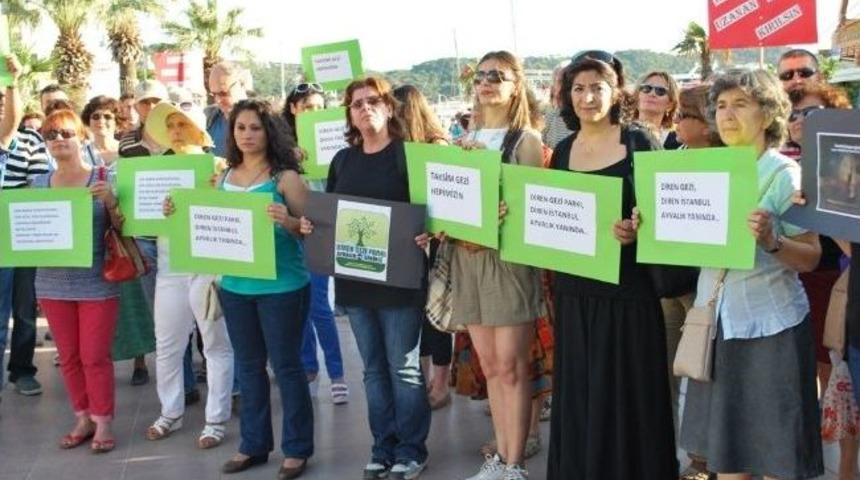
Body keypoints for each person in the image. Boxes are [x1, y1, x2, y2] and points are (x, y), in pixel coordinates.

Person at [679, 69, 824, 480]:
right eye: (721, 106)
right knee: (727, 457)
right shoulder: (702, 169)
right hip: (717, 326)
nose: (727, 114)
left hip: (769, 327)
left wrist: (772, 240)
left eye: (740, 104)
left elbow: (811, 257)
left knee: (776, 456)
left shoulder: (784, 174)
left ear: (768, 113)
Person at [545, 52, 677, 479]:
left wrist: (640, 229)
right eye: (578, 88)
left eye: (596, 87)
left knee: (630, 394)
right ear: (568, 95)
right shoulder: (562, 150)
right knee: (583, 392)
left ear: (616, 91)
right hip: (575, 293)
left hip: (628, 294)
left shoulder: (639, 142)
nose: (587, 97)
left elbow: (666, 216)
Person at [299, 77, 431, 480]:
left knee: (404, 369)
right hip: (357, 282)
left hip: (401, 280)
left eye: (373, 101)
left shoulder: (410, 156)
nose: (365, 108)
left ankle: (411, 450)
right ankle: (382, 447)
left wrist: (430, 231)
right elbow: (333, 215)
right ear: (349, 115)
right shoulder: (343, 160)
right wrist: (311, 225)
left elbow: (433, 211)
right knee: (373, 370)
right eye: (356, 104)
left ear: (389, 108)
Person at [185, 99, 312, 479]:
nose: (247, 135)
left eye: (255, 127)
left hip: (283, 286)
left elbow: (312, 227)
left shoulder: (285, 178)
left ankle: (297, 449)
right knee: (250, 365)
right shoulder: (221, 178)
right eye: (241, 128)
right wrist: (178, 209)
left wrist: (288, 220)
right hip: (235, 286)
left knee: (287, 367)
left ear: (268, 131)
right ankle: (253, 445)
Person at [453, 51, 544, 480]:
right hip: (466, 258)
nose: (487, 82)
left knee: (512, 365)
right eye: (481, 74)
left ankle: (514, 462)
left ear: (515, 85)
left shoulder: (522, 139)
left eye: (498, 76)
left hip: (506, 261)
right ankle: (499, 459)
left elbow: (529, 211)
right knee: (489, 367)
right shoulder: (463, 137)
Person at [143, 102, 234, 450]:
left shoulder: (219, 167)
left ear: (199, 129)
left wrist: (218, 189)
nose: (177, 129)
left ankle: (216, 419)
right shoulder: (156, 169)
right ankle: (170, 412)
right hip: (170, 268)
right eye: (171, 124)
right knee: (167, 345)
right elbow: (141, 218)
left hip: (208, 268)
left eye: (183, 123)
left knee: (215, 344)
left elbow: (232, 214)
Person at [34, 109, 124, 453]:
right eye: (51, 135)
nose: (59, 140)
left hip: (96, 282)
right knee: (69, 356)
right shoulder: (39, 184)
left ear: (81, 137)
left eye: (66, 133)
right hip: (51, 282)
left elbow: (123, 228)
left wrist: (112, 202)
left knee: (94, 356)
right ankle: (83, 417)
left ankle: (102, 422)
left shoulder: (102, 178)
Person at [784, 81, 857, 480]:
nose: (799, 122)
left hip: (841, 284)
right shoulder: (787, 170)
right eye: (793, 115)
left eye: (810, 114)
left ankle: (846, 464)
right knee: (820, 380)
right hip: (803, 285)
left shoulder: (850, 164)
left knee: (839, 379)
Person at [282, 82, 350, 405]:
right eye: (307, 106)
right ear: (294, 109)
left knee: (320, 304)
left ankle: (336, 373)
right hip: (291, 231)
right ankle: (309, 368)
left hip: (322, 228)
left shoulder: (336, 139)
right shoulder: (280, 147)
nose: (314, 113)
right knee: (297, 305)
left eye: (320, 107)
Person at [393, 84, 453, 410]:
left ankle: (440, 385)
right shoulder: (399, 147)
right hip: (409, 243)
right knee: (417, 314)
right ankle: (425, 381)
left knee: (436, 317)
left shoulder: (435, 145)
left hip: (434, 245)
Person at [0, 55, 48, 400]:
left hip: (23, 235)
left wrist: (13, 80)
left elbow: (41, 184)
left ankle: (22, 371)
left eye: (6, 96)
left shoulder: (32, 141)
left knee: (24, 308)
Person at [206, 61, 249, 157]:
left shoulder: (265, 121)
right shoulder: (206, 119)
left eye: (223, 93)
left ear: (241, 85)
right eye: (214, 94)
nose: (218, 100)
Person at [118, 80, 169, 159]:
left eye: (156, 101)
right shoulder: (126, 143)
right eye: (144, 102)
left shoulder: (182, 138)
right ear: (135, 107)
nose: (151, 106)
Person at [633, 70, 681, 149]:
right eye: (646, 88)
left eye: (660, 91)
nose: (652, 94)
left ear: (670, 104)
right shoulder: (620, 135)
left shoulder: (678, 140)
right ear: (637, 98)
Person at [81, 96, 122, 166]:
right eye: (96, 117)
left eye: (107, 117)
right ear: (88, 121)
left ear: (116, 121)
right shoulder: (80, 154)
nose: (101, 121)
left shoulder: (127, 151)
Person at [542, 61, 573, 149]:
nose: (565, 86)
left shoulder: (586, 118)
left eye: (569, 81)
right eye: (560, 81)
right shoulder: (550, 115)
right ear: (554, 86)